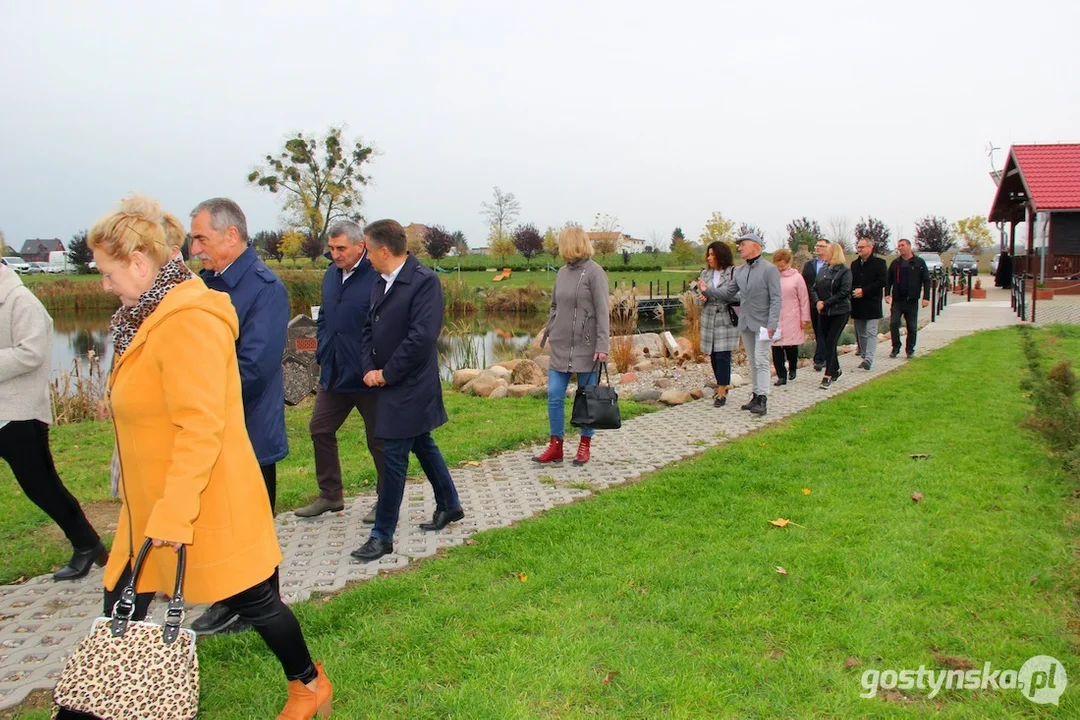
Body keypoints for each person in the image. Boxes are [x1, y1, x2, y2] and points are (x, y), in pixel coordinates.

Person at [86, 195, 331, 719]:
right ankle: (102, 705)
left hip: (195, 502)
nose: (104, 286)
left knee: (257, 602)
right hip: (152, 504)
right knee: (121, 609)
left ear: (137, 263)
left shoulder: (184, 319)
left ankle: (308, 685)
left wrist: (174, 512)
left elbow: (201, 423)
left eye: (108, 273)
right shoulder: (145, 317)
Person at [187, 197, 290, 637]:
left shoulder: (265, 288)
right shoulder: (207, 284)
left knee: (252, 525)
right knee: (219, 521)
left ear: (232, 235)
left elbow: (254, 366)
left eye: (201, 239)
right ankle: (228, 598)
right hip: (211, 425)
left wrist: (201, 401)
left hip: (248, 429)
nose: (195, 250)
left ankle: (261, 609)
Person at [351, 219, 465, 562]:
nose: (366, 258)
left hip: (412, 384)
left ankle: (382, 535)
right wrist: (368, 369)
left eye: (368, 251)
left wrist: (387, 373)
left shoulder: (423, 282)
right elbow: (368, 327)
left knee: (394, 457)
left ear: (384, 251)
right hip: (386, 381)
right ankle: (450, 505)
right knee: (422, 443)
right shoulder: (378, 280)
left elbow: (421, 337)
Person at [0, 263, 106, 582]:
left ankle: (88, 545)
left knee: (42, 488)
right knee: (41, 487)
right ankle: (89, 545)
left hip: (20, 415)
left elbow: (30, 353)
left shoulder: (21, 301)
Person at [294, 221, 386, 525]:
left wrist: (377, 363)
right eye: (331, 249)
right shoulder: (331, 276)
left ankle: (386, 500)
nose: (335, 254)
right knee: (320, 428)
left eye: (341, 248)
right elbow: (325, 318)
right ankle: (331, 494)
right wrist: (321, 349)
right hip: (334, 372)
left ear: (361, 246)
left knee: (379, 439)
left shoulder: (377, 276)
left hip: (367, 374)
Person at [534, 226, 611, 462]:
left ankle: (584, 445)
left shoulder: (595, 272)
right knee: (555, 395)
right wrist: (552, 328)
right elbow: (555, 305)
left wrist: (602, 345)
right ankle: (555, 445)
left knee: (586, 398)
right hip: (561, 346)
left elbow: (602, 311)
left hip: (587, 348)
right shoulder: (561, 273)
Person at [733, 233, 781, 416]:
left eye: (743, 244)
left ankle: (763, 398)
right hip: (746, 322)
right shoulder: (741, 271)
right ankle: (756, 394)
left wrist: (772, 324)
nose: (739, 248)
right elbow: (730, 291)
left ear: (755, 246)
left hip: (763, 323)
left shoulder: (769, 270)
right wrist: (709, 292)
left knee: (761, 360)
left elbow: (776, 298)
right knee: (752, 360)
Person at [694, 241, 739, 406]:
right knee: (713, 354)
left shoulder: (733, 273)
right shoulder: (705, 274)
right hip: (709, 318)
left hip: (725, 318)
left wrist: (712, 293)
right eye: (708, 254)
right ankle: (722, 384)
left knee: (723, 355)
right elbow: (697, 296)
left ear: (721, 255)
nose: (709, 257)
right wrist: (701, 298)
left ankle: (721, 391)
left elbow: (738, 295)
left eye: (713, 254)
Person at [811, 243, 852, 389]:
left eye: (826, 251)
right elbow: (814, 288)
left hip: (839, 311)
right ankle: (836, 370)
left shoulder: (844, 271)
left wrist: (827, 303)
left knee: (831, 341)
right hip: (823, 311)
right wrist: (817, 302)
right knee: (826, 341)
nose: (823, 253)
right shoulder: (823, 270)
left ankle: (828, 374)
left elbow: (845, 291)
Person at [769, 249, 810, 386]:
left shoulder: (797, 278)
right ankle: (781, 375)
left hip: (792, 315)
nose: (780, 268)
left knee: (790, 346)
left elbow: (803, 299)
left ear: (788, 262)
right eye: (778, 266)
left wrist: (804, 318)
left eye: (782, 265)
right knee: (776, 347)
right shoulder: (773, 277)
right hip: (776, 316)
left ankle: (792, 366)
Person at [886, 238, 931, 359]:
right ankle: (895, 347)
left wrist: (926, 297)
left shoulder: (919, 263)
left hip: (911, 300)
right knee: (894, 323)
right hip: (897, 300)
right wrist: (887, 293)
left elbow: (926, 280)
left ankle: (910, 349)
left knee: (911, 326)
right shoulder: (895, 263)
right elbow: (888, 279)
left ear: (909, 246)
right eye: (898, 246)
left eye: (902, 245)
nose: (900, 248)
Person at [850, 236, 887, 370]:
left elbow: (882, 281)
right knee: (861, 333)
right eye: (858, 247)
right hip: (858, 304)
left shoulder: (879, 263)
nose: (859, 249)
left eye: (862, 247)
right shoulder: (854, 264)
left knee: (871, 332)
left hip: (872, 302)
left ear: (870, 248)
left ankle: (869, 359)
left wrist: (865, 291)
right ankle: (865, 355)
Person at [801, 238, 830, 371]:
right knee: (817, 330)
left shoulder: (831, 264)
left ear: (828, 248)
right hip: (812, 302)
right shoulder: (810, 264)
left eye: (822, 246)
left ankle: (819, 359)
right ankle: (824, 355)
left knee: (823, 329)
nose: (818, 248)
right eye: (817, 245)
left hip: (826, 302)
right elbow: (804, 282)